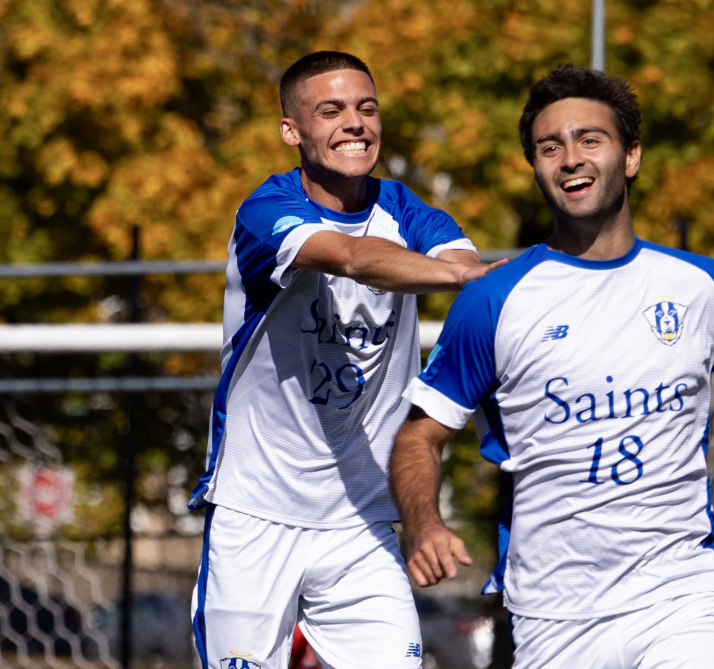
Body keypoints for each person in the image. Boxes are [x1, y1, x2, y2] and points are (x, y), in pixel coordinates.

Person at [389, 65, 714, 669]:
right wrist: (423, 523)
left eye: (591, 140)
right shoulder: (493, 300)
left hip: (682, 596)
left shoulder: (706, 288)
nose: (570, 159)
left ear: (630, 157)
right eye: (549, 147)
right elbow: (419, 438)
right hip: (553, 614)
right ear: (535, 167)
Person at [188, 51, 501, 669]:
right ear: (292, 130)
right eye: (330, 111)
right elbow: (351, 258)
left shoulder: (412, 211)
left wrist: (494, 277)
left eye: (366, 108)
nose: (354, 123)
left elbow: (467, 269)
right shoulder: (264, 212)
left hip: (363, 519)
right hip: (257, 514)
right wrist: (462, 275)